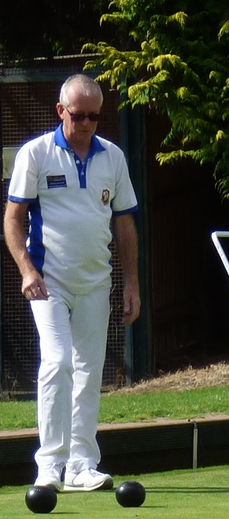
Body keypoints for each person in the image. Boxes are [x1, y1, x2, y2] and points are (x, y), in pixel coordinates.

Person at [3, 74, 141, 492]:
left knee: (88, 370)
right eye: (78, 115)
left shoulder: (113, 157)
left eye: (94, 116)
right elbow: (12, 219)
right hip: (48, 282)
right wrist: (27, 270)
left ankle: (81, 464)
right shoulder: (36, 154)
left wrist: (131, 283)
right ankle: (49, 465)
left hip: (97, 282)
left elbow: (125, 222)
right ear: (61, 110)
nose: (86, 124)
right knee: (58, 361)